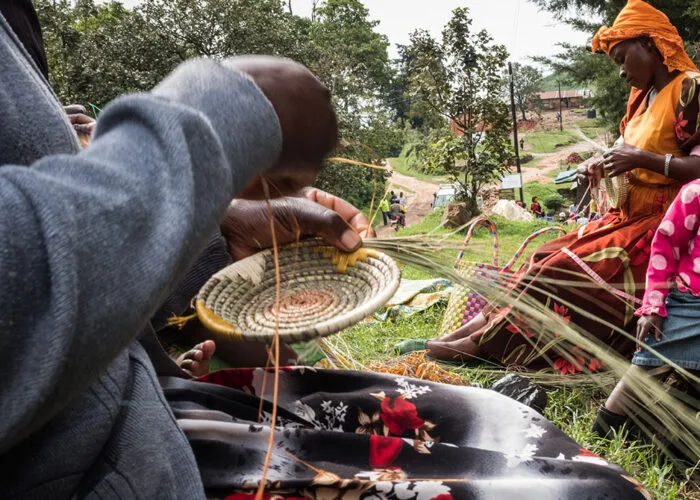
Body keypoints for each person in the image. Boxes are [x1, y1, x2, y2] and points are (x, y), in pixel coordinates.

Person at [0, 6, 650, 500]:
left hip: (145, 402)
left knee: (510, 428)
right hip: (112, 463)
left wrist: (218, 230)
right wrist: (227, 114)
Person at [407, 0, 700, 374]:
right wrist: (601, 166)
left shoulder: (689, 90)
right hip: (624, 217)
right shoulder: (642, 100)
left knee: (561, 270)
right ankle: (478, 330)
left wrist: (641, 160)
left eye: (624, 58)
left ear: (651, 43)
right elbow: (629, 152)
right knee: (542, 256)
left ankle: (489, 346)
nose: (623, 73)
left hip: (661, 226)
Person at [593, 180, 700, 437]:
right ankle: (602, 434)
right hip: (690, 302)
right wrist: (654, 304)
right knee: (646, 365)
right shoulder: (695, 193)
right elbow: (665, 247)